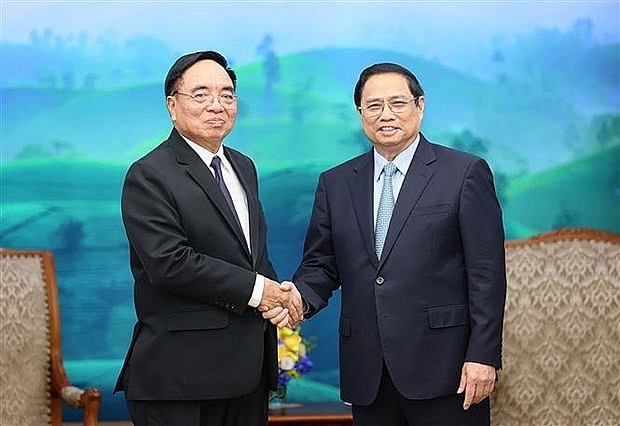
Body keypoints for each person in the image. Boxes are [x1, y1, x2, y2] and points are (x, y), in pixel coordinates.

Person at [262, 62, 507, 425]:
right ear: (360, 113)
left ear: (419, 106)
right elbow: (322, 263)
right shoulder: (337, 183)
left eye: (398, 103)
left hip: (447, 370)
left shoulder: (464, 173)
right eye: (373, 106)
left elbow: (487, 274)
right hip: (368, 372)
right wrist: (298, 298)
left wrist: (483, 356)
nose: (385, 115)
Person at [114, 50, 301, 426]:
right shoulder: (149, 174)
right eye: (200, 94)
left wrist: (277, 296)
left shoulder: (243, 166)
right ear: (172, 105)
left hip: (247, 375)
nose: (217, 105)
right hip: (181, 379)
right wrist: (258, 291)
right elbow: (169, 263)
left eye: (227, 94)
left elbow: (252, 256)